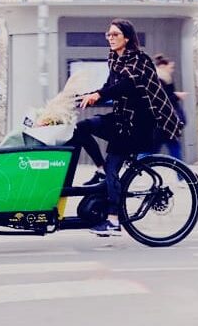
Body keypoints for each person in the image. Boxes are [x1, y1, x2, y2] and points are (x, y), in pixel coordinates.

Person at [70, 18, 183, 236]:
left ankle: (113, 221)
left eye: (115, 35)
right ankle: (100, 169)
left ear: (127, 38)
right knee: (81, 128)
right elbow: (109, 87)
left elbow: (127, 86)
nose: (110, 38)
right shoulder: (114, 58)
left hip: (138, 125)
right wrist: (86, 96)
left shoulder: (140, 60)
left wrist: (99, 95)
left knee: (115, 167)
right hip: (121, 118)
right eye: (108, 35)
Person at [152, 53, 186, 161]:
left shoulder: (165, 79)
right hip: (164, 120)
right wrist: (176, 96)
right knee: (157, 148)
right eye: (170, 67)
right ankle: (182, 173)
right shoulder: (159, 80)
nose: (172, 70)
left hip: (166, 120)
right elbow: (162, 100)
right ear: (163, 66)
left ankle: (182, 173)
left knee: (168, 145)